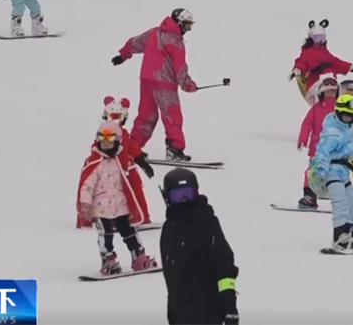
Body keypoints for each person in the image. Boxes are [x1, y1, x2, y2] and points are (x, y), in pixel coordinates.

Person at [112, 8, 199, 162]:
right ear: (178, 23)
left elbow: (135, 42)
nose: (187, 30)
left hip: (146, 80)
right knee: (172, 115)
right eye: (186, 25)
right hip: (164, 83)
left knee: (146, 116)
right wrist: (188, 85)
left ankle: (132, 148)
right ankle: (174, 149)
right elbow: (180, 68)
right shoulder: (176, 43)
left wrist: (123, 55)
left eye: (189, 26)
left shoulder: (154, 33)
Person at [160, 168, 240, 325]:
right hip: (182, 314)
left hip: (209, 311)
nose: (184, 201)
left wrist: (229, 304)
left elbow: (224, 263)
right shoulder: (169, 229)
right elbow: (172, 275)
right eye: (178, 196)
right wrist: (173, 311)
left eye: (187, 194)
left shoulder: (207, 222)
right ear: (167, 197)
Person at [77, 122, 157, 276]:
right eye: (103, 139)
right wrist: (85, 204)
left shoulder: (123, 161)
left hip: (121, 207)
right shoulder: (94, 162)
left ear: (117, 140)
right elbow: (86, 185)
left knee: (130, 232)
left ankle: (138, 256)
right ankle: (108, 260)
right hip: (100, 209)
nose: (106, 142)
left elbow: (132, 183)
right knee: (105, 234)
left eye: (110, 139)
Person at [309, 94, 353, 253]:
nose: (349, 118)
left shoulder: (349, 130)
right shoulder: (332, 133)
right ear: (339, 113)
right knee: (340, 203)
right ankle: (340, 237)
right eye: (346, 115)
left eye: (352, 116)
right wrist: (320, 171)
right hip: (331, 173)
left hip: (343, 173)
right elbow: (322, 153)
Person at [77, 96, 154, 228]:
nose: (115, 120)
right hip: (106, 173)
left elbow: (132, 147)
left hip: (124, 170)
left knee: (132, 192)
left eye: (118, 116)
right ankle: (102, 220)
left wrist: (140, 160)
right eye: (112, 116)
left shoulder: (123, 134)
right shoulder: (104, 133)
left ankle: (138, 217)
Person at [290, 19, 353, 105]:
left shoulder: (325, 53)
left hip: (330, 82)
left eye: (322, 38)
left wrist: (351, 67)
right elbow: (302, 62)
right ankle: (321, 104)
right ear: (311, 38)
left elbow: (336, 63)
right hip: (316, 83)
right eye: (317, 38)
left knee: (335, 87)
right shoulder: (308, 52)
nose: (320, 41)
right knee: (326, 87)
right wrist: (297, 70)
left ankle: (342, 103)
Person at [297, 77, 340, 209]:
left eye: (333, 91)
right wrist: (303, 138)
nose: (330, 94)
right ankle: (309, 197)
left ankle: (342, 201)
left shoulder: (340, 109)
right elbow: (307, 123)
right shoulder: (316, 108)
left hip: (335, 149)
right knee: (311, 173)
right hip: (317, 149)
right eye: (327, 91)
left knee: (337, 173)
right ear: (322, 93)